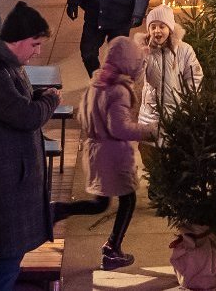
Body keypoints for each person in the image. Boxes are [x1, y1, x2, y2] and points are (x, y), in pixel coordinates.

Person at [0, 3, 62, 291]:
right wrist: (51, 100)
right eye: (35, 44)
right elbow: (28, 115)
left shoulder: (8, 66)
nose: (38, 52)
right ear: (17, 41)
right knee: (3, 261)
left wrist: (39, 95)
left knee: (10, 257)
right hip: (2, 183)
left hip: (12, 180)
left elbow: (21, 101)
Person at [65, 35, 156, 270]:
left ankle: (58, 210)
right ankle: (113, 248)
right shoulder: (119, 91)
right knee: (128, 198)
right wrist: (150, 131)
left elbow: (83, 116)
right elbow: (120, 127)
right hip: (113, 155)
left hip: (97, 151)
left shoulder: (98, 83)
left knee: (100, 203)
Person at [138, 4, 203, 127]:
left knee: (172, 144)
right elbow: (137, 77)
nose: (157, 30)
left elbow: (195, 76)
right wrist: (141, 58)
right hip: (149, 116)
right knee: (149, 144)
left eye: (162, 26)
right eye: (153, 27)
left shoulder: (184, 50)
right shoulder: (145, 50)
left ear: (170, 28)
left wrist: (187, 101)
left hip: (176, 112)